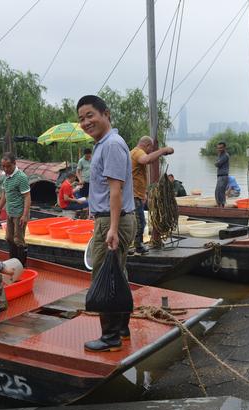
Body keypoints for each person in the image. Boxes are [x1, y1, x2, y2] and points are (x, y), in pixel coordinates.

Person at [77, 94, 135, 353]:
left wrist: (111, 227)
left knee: (103, 276)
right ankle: (121, 328)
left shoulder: (111, 144)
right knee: (117, 273)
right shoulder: (104, 143)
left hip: (113, 221)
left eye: (90, 115)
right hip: (114, 219)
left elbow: (116, 191)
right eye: (81, 118)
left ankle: (110, 337)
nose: (86, 122)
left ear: (106, 114)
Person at [130, 136, 174, 254]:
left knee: (135, 222)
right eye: (151, 149)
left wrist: (144, 193)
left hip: (136, 194)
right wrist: (163, 150)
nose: (151, 151)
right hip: (133, 195)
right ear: (147, 145)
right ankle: (138, 247)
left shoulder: (134, 153)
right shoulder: (137, 152)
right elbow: (146, 160)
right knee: (140, 223)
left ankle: (131, 245)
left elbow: (137, 175)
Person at [0, 152, 31, 266]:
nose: (6, 169)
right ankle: (13, 262)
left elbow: (27, 196)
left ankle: (21, 264)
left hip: (19, 213)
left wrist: (25, 215)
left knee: (18, 239)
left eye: (8, 166)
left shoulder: (21, 177)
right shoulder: (6, 177)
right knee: (9, 238)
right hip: (10, 212)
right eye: (3, 166)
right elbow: (5, 194)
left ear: (14, 164)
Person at [214, 142, 230, 207]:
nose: (219, 149)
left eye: (221, 148)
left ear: (224, 148)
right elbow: (217, 163)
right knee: (218, 192)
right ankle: (220, 206)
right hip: (220, 176)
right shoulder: (220, 155)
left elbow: (218, 164)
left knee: (220, 192)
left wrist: (216, 163)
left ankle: (222, 207)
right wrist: (217, 163)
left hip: (223, 176)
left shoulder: (225, 155)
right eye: (218, 148)